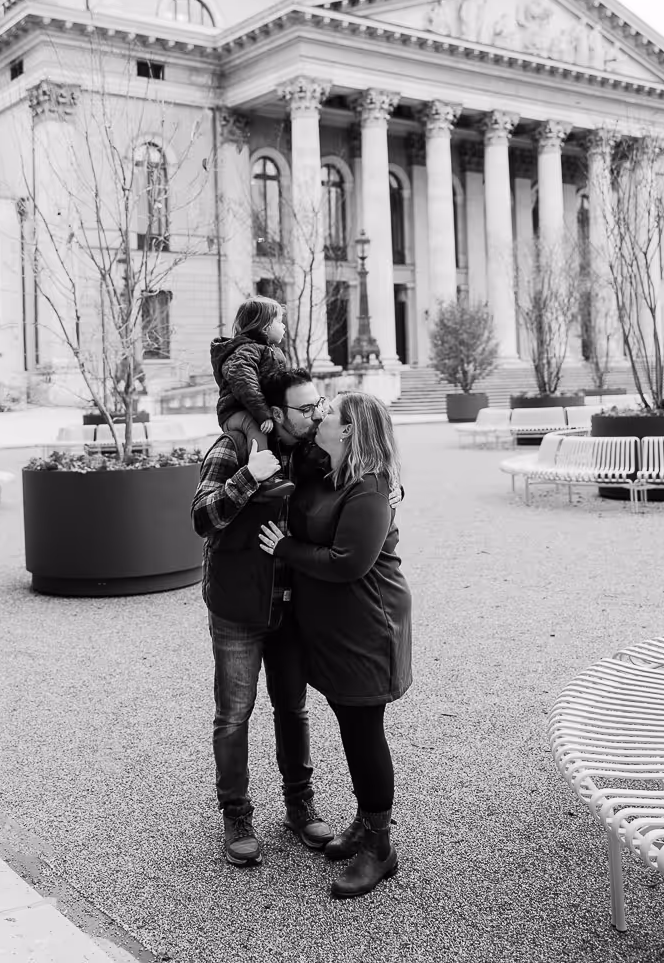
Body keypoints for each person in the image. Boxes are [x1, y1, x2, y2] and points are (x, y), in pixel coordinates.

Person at [258, 390, 412, 900]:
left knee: (363, 729)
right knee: (350, 723)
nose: (318, 415)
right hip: (333, 627)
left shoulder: (370, 486)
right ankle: (367, 824)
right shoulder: (328, 470)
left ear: (347, 431)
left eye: (328, 413)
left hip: (367, 625)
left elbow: (348, 561)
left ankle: (380, 847)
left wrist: (285, 547)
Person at [190, 367, 334, 866]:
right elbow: (201, 518)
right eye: (305, 409)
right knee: (234, 713)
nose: (316, 415)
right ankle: (236, 812)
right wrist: (248, 477)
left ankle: (299, 804)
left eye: (319, 406)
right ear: (274, 414)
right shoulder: (231, 447)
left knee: (293, 709)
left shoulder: (314, 448)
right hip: (239, 607)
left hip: (293, 605)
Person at [209, 296, 294, 501]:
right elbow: (243, 379)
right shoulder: (247, 350)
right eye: (279, 321)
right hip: (236, 411)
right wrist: (263, 413)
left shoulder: (273, 352)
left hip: (255, 409)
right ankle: (265, 478)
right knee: (256, 427)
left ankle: (280, 470)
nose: (283, 326)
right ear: (265, 327)